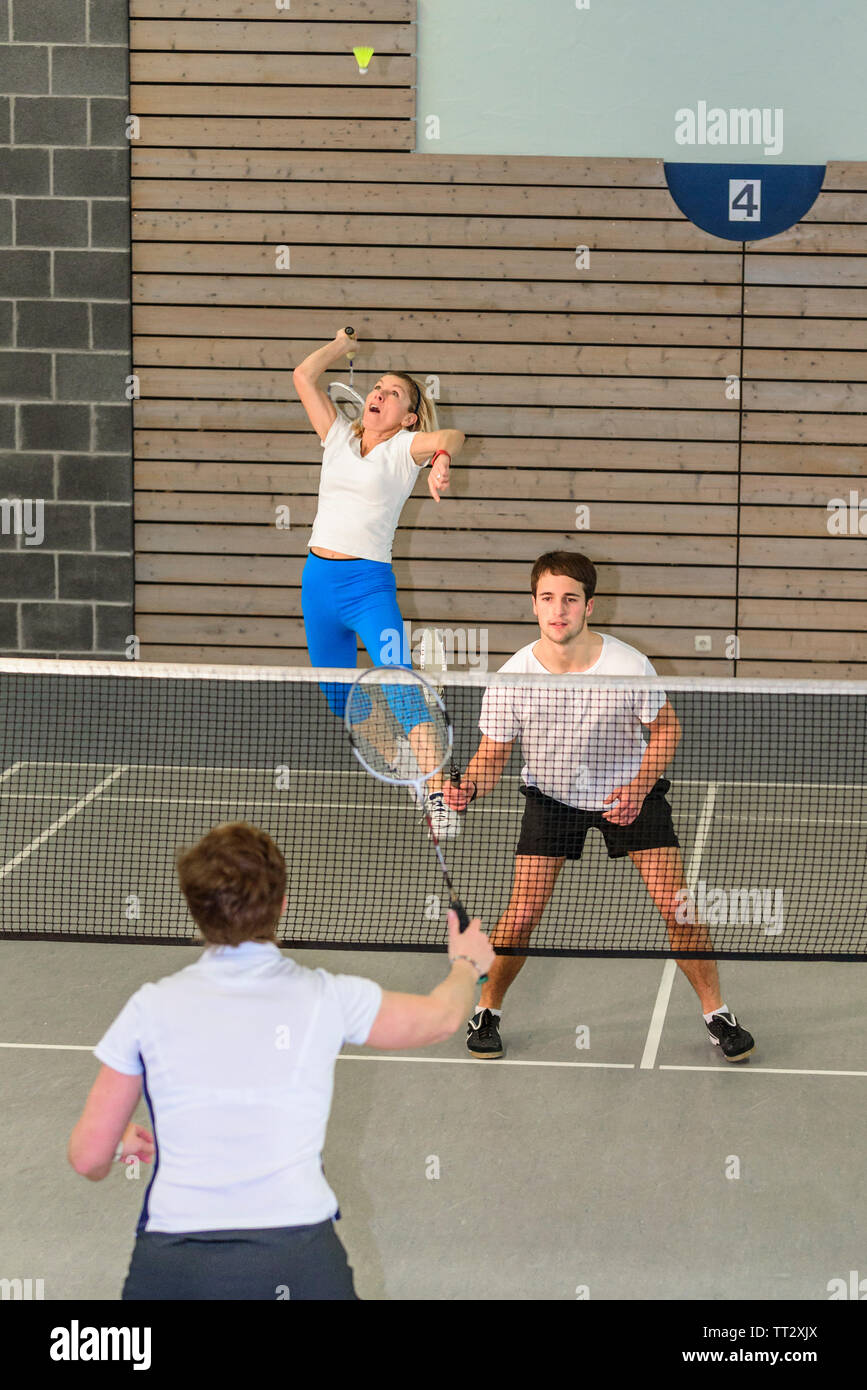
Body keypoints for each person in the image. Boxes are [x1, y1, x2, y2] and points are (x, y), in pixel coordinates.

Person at [67, 822, 494, 1300]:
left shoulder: (148, 1007)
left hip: (175, 1264)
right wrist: (468, 964)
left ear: (195, 910)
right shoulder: (326, 996)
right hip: (299, 1258)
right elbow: (439, 1018)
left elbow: (88, 1158)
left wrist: (114, 1141)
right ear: (282, 904)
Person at [443, 550, 756, 1064]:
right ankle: (487, 1009)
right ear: (534, 605)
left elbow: (666, 729)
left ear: (590, 606)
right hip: (553, 797)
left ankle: (717, 1013)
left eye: (570, 599)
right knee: (520, 916)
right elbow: (489, 759)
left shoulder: (628, 665)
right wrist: (468, 789)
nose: (558, 610)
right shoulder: (512, 678)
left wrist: (637, 787)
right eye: (547, 599)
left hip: (628, 791)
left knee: (679, 910)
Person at [293, 329, 465, 835]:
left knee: (401, 683)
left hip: (368, 588)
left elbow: (453, 437)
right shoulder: (337, 436)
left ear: (408, 416)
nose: (379, 394)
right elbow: (303, 376)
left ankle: (437, 795)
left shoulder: (406, 447)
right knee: (337, 693)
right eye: (377, 387)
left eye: (393, 393)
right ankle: (404, 766)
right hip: (317, 584)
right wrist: (338, 347)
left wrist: (441, 461)